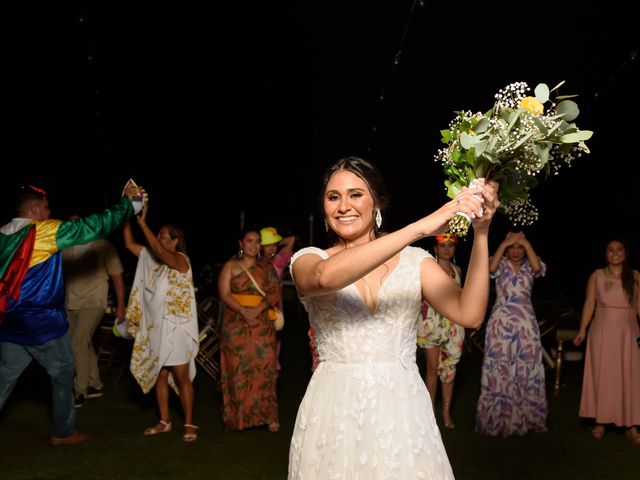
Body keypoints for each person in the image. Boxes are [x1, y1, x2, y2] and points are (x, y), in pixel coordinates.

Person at [287, 156, 498, 479]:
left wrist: (482, 234)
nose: (344, 206)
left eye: (356, 194)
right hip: (334, 407)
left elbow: (469, 314)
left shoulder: (415, 262)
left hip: (402, 408)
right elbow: (325, 279)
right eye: (334, 197)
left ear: (377, 204)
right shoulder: (309, 259)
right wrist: (420, 228)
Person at [0, 182, 142, 446]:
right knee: (64, 371)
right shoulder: (40, 232)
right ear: (34, 211)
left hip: (10, 321)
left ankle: (63, 429)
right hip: (41, 323)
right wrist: (128, 205)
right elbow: (92, 227)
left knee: (5, 377)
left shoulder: (4, 234)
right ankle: (63, 432)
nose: (50, 211)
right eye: (46, 207)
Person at [123, 204, 200, 442]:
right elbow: (129, 245)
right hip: (157, 327)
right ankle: (164, 420)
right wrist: (125, 215)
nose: (159, 239)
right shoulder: (151, 260)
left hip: (176, 326)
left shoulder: (179, 259)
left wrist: (143, 224)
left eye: (164, 236)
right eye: (159, 235)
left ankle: (189, 423)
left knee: (180, 375)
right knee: (159, 373)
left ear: (176, 241)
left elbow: (158, 250)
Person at [475, 230, 547, 437]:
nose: (516, 252)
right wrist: (504, 243)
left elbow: (537, 268)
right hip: (501, 323)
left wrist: (526, 242)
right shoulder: (500, 264)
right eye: (512, 248)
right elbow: (489, 268)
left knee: (526, 366)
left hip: (525, 324)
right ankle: (497, 419)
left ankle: (528, 417)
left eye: (519, 248)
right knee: (500, 366)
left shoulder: (531, 265)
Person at [573, 238, 640, 443]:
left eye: (619, 249)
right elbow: (589, 303)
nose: (615, 253)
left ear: (625, 253)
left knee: (630, 377)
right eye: (611, 250)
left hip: (628, 332)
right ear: (606, 254)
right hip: (602, 332)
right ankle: (600, 421)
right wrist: (582, 329)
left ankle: (631, 425)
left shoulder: (635, 276)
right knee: (603, 375)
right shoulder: (597, 275)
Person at [218, 228, 281, 432]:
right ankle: (238, 419)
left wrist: (257, 310)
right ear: (241, 243)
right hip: (235, 325)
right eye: (249, 241)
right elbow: (224, 293)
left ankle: (268, 416)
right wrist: (243, 311)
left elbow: (274, 293)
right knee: (237, 370)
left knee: (264, 369)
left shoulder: (267, 268)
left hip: (261, 325)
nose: (253, 245)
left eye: (257, 242)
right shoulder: (230, 265)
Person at [62, 215, 126, 408]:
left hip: (94, 300)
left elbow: (118, 279)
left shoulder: (104, 247)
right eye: (71, 222)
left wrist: (121, 307)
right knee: (82, 343)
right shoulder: (67, 247)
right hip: (70, 300)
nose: (74, 225)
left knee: (78, 342)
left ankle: (79, 390)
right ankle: (95, 384)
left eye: (78, 221)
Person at [416, 233, 464, 429]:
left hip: (453, 325)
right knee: (433, 370)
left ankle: (445, 412)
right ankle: (430, 414)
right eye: (443, 246)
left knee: (449, 370)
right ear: (436, 249)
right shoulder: (428, 269)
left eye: (450, 246)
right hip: (431, 324)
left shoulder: (457, 270)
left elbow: (462, 297)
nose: (446, 249)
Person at [260, 226, 295, 375]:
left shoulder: (278, 262)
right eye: (267, 245)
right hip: (257, 311)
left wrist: (275, 241)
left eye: (274, 245)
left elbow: (291, 240)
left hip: (274, 312)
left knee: (273, 349)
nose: (272, 248)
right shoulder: (252, 265)